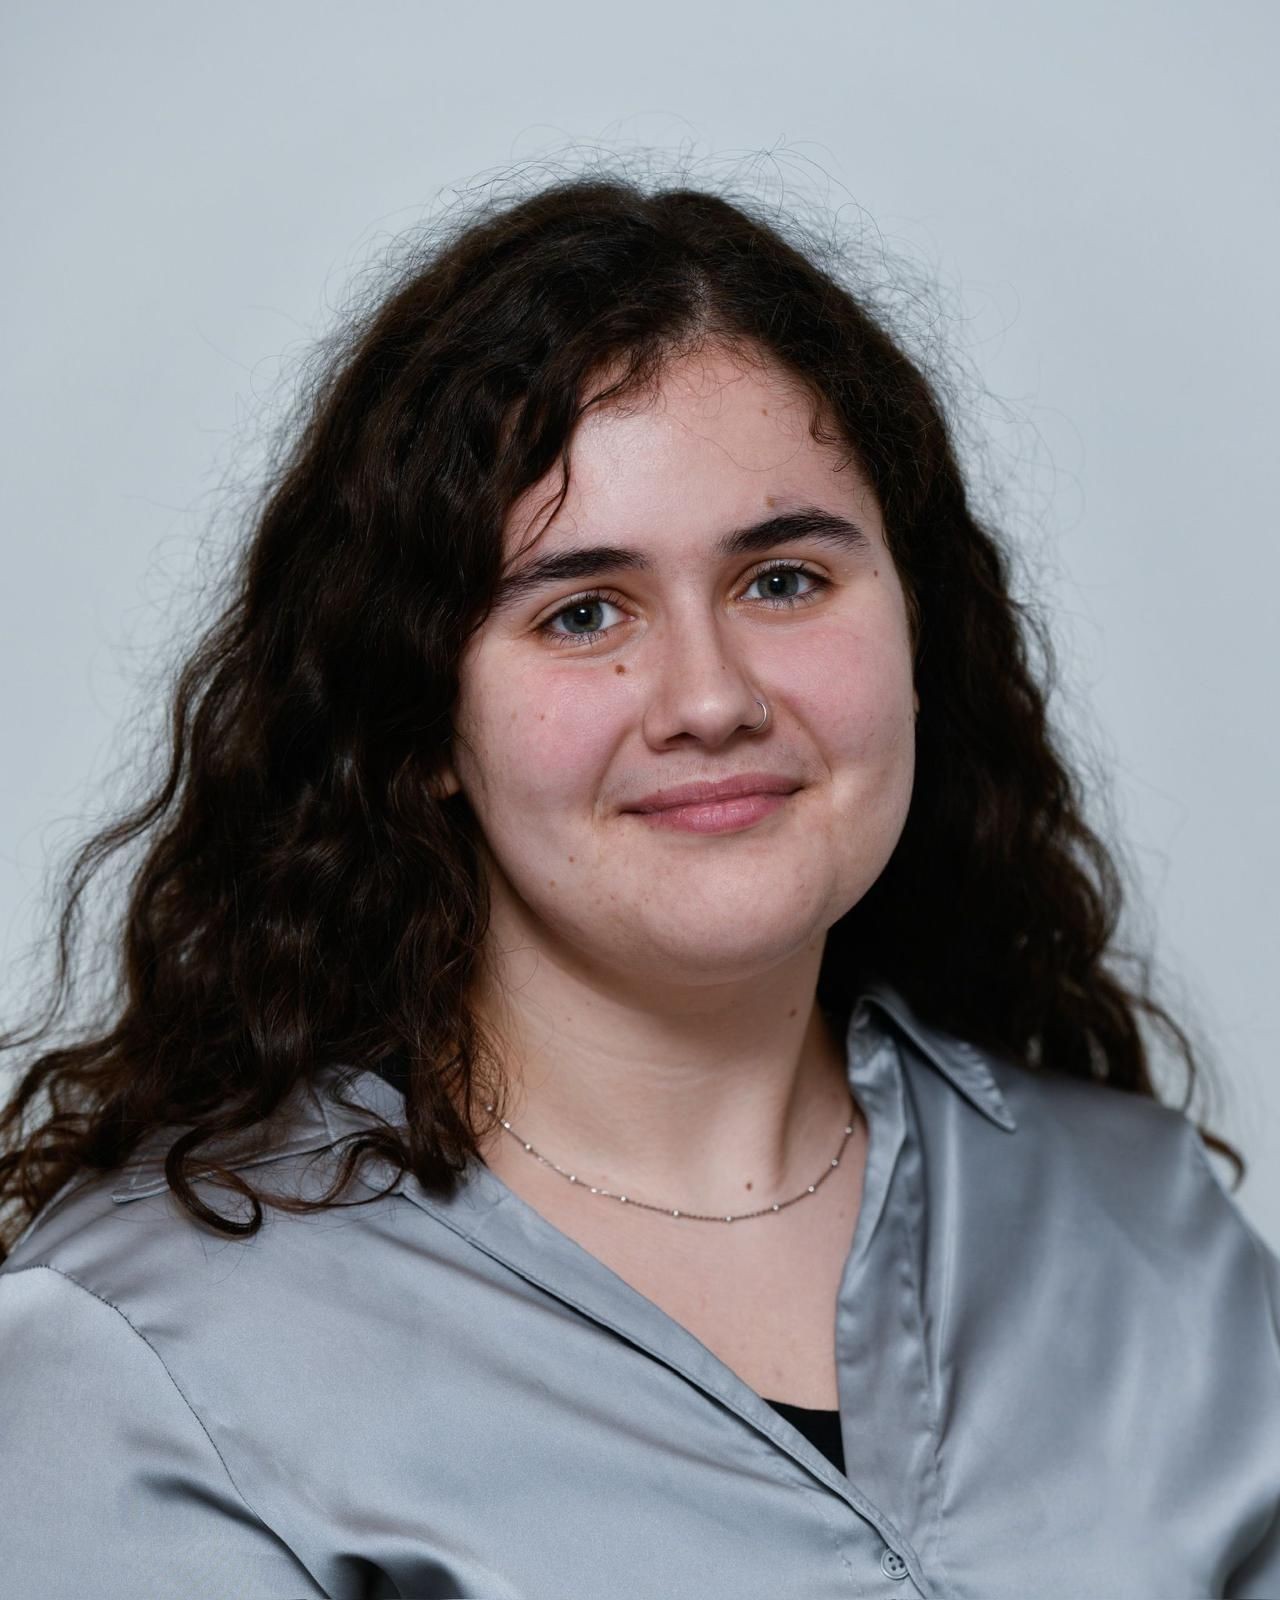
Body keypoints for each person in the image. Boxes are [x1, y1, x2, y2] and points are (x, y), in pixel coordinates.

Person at [0, 170, 1276, 1600]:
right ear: (420, 721)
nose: (710, 698)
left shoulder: (1147, 1220)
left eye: (783, 580)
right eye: (583, 611)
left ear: (919, 628)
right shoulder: (144, 1354)